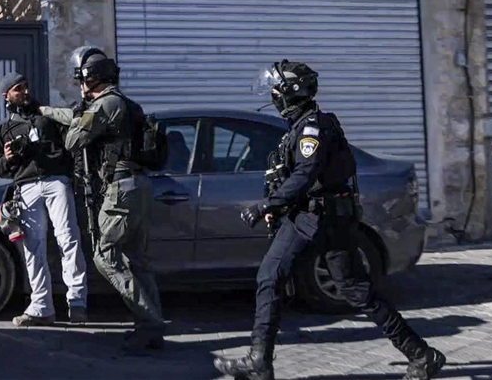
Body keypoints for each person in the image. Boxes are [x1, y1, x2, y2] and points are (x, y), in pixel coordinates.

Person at [213, 60, 446, 380]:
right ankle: (259, 361)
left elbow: (305, 174)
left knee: (352, 290)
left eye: (276, 91)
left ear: (288, 94)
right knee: (272, 276)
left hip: (324, 218)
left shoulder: (313, 128)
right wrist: (278, 205)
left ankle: (421, 354)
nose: (273, 97)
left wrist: (267, 204)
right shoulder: (300, 128)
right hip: (308, 217)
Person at [38, 46, 165, 354]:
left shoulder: (106, 104)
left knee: (105, 256)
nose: (79, 85)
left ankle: (150, 322)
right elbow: (75, 116)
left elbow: (73, 138)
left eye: (81, 79)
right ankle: (150, 330)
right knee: (137, 260)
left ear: (91, 79)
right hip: (138, 187)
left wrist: (74, 115)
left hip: (121, 191)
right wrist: (43, 110)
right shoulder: (120, 103)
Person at [0, 71, 88, 326]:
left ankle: (77, 302)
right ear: (6, 95)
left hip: (56, 181)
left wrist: (72, 175)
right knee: (34, 247)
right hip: (26, 187)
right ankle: (41, 307)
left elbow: (73, 144)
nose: (24, 92)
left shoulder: (47, 117)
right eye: (18, 89)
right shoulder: (0, 130)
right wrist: (8, 158)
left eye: (26, 87)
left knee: (69, 238)